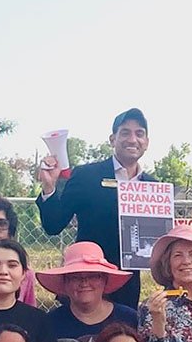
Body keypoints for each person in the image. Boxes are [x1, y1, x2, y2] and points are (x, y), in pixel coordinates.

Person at [36, 108, 155, 308]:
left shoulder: (154, 188)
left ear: (147, 142)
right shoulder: (86, 175)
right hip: (84, 283)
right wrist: (49, 186)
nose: (133, 139)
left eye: (139, 133)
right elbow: (53, 225)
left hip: (126, 289)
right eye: (125, 132)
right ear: (112, 139)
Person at [38, 243, 136, 342]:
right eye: (76, 277)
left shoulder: (129, 319)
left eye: (93, 276)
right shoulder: (49, 323)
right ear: (65, 283)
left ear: (104, 280)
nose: (84, 283)